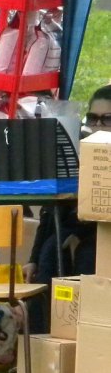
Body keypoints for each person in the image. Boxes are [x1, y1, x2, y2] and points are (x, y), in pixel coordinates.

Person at [23, 83, 111, 332]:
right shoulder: (75, 154)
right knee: (52, 250)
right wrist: (32, 258)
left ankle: (85, 337)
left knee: (87, 254)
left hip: (102, 236)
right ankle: (44, 341)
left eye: (107, 120)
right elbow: (51, 212)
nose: (98, 126)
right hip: (70, 231)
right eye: (93, 118)